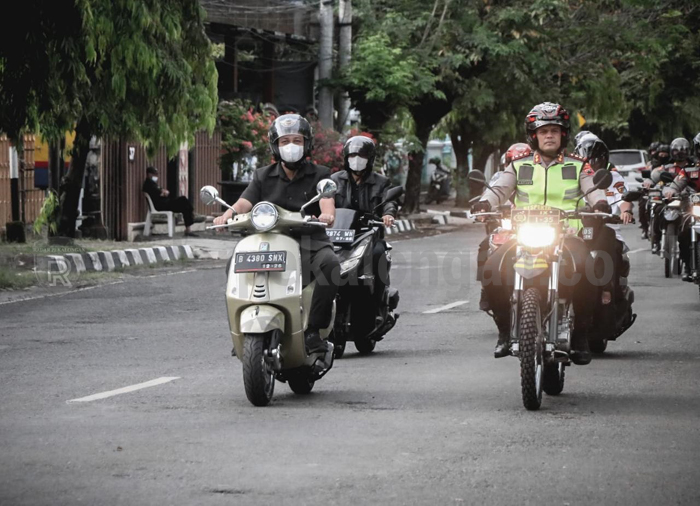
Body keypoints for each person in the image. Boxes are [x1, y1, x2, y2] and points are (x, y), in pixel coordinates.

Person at [472, 102, 612, 365]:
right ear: (533, 135)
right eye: (543, 130)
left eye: (555, 131)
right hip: (523, 234)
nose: (549, 135)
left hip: (567, 235)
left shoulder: (578, 166)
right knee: (491, 268)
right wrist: (484, 202)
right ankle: (503, 330)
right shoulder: (518, 166)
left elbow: (593, 189)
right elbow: (499, 187)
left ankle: (581, 333)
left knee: (590, 269)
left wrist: (600, 202)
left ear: (564, 135)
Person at [213, 114, 340, 354]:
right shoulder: (262, 175)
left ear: (307, 144)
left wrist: (327, 215)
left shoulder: (320, 174)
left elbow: (327, 201)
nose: (291, 146)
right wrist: (227, 214)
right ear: (275, 145)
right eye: (284, 141)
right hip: (268, 241)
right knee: (233, 264)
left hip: (308, 242)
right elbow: (244, 203)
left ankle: (314, 331)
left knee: (331, 265)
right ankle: (242, 330)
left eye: (297, 140)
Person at [332, 135, 397, 311]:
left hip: (368, 235)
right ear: (346, 158)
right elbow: (323, 202)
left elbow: (389, 201)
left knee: (379, 255)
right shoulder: (335, 180)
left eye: (361, 156)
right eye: (352, 156)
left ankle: (377, 302)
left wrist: (388, 214)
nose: (356, 160)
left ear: (370, 159)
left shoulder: (381, 182)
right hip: (338, 235)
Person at [662, 133, 700, 281]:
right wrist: (670, 191)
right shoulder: (690, 170)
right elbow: (677, 183)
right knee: (684, 231)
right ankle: (688, 266)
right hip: (695, 208)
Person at [142, 166, 198, 237]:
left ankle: (188, 227)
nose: (156, 176)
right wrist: (163, 192)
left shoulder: (153, 184)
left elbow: (163, 192)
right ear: (149, 174)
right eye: (154, 174)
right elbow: (161, 193)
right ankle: (188, 226)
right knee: (183, 201)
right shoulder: (148, 184)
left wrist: (163, 192)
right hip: (161, 205)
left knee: (185, 205)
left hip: (165, 203)